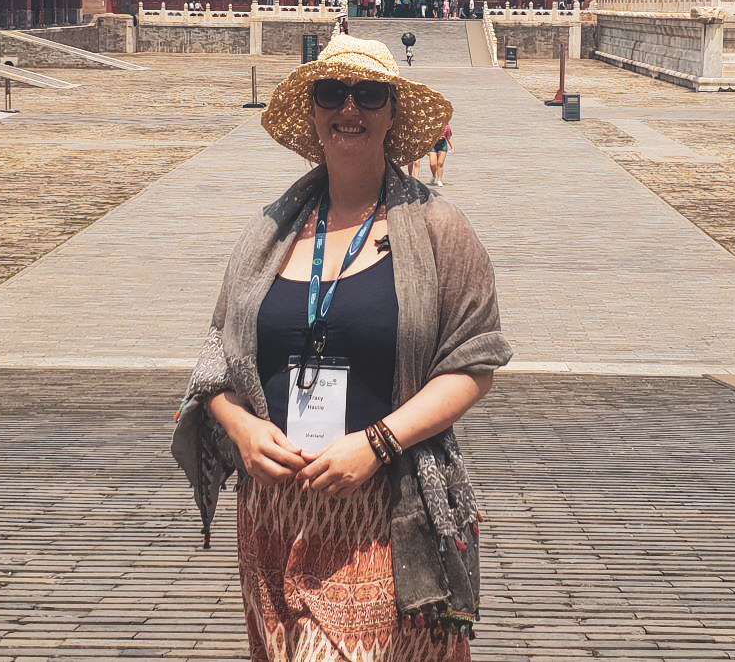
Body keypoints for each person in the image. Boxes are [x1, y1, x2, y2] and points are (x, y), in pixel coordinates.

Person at [175, 34, 509, 661]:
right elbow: (217, 357)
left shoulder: (439, 229)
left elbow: (473, 364)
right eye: (332, 93)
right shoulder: (269, 230)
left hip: (383, 504)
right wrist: (242, 432)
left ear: (392, 114)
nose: (349, 109)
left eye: (369, 94)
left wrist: (378, 442)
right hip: (273, 510)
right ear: (313, 112)